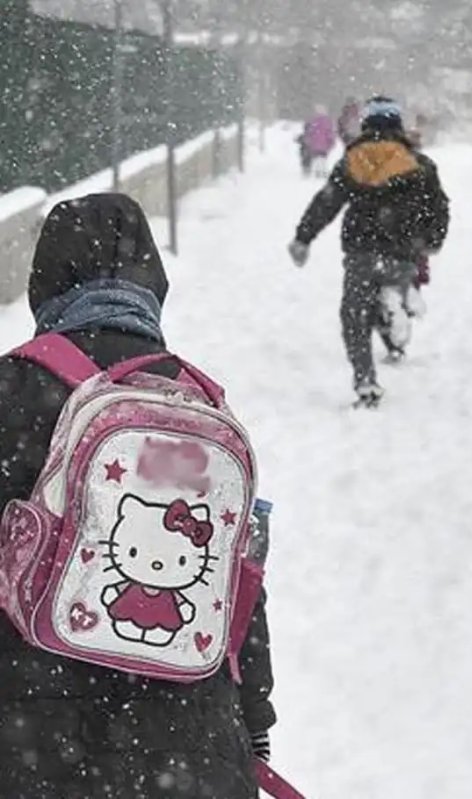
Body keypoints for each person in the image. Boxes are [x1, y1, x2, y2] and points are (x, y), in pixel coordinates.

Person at [0, 193, 276, 797]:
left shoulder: (11, 389)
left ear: (46, 285)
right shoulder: (198, 405)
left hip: (28, 739)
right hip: (188, 741)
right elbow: (241, 587)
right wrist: (251, 724)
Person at [289, 96, 451, 408]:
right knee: (391, 288)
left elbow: (327, 202)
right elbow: (438, 206)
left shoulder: (353, 160)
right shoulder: (419, 164)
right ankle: (397, 311)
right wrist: (432, 240)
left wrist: (303, 237)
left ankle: (366, 381)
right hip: (404, 250)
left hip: (362, 249)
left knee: (355, 315)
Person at [302, 104, 338, 178]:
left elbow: (310, 132)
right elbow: (330, 133)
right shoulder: (328, 121)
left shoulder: (314, 121)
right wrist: (331, 141)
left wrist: (308, 140)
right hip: (324, 144)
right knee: (323, 158)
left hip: (315, 143)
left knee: (317, 158)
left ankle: (318, 171)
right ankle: (323, 171)